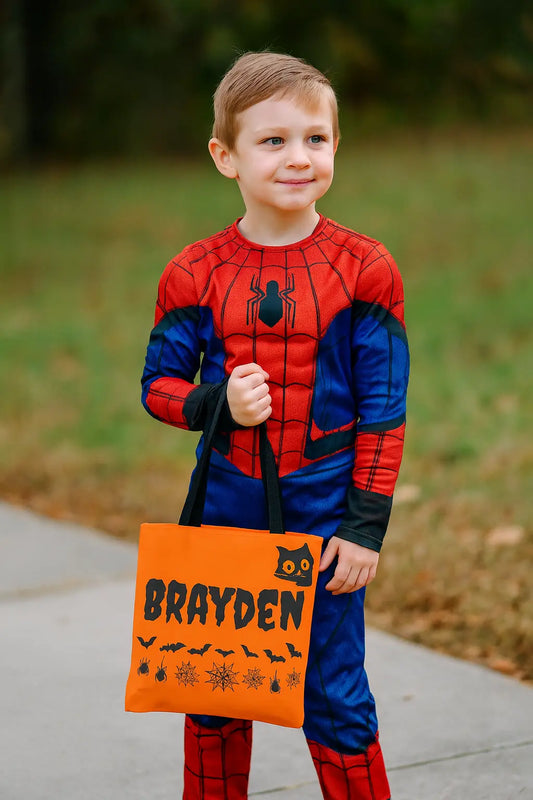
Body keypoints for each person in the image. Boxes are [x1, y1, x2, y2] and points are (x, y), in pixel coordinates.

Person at [141, 51, 409, 800]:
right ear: (224, 156)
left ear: (336, 145)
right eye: (273, 140)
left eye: (316, 139)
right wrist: (216, 403)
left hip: (324, 509)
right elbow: (157, 388)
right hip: (226, 505)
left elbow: (384, 409)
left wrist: (364, 527)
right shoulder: (193, 272)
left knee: (335, 695)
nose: (298, 157)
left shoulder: (366, 268)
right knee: (213, 693)